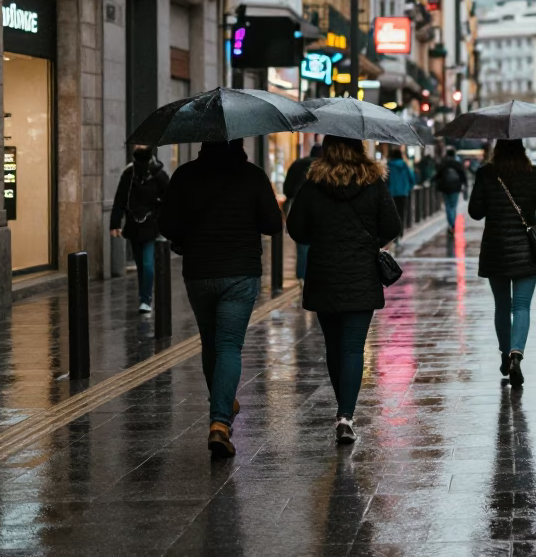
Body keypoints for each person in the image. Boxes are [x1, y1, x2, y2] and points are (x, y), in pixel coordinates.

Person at [158, 139, 282, 459]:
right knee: (229, 345)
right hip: (240, 272)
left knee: (210, 343)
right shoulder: (252, 175)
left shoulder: (185, 175)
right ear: (239, 143)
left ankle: (222, 404)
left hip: (199, 271)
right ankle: (220, 422)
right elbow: (272, 225)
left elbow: (168, 226)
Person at [287, 136, 401, 444]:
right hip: (361, 273)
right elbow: (392, 225)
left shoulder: (313, 182)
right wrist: (368, 242)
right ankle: (345, 416)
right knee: (353, 348)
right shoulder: (373, 181)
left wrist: (322, 235)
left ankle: (343, 410)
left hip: (324, 273)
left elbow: (296, 229)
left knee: (334, 346)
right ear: (358, 147)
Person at [467, 139, 536, 387]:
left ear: (497, 150)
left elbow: (475, 211)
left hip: (496, 248)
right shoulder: (534, 173)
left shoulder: (486, 173)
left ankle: (505, 355)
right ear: (523, 150)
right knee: (521, 306)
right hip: (527, 249)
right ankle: (517, 354)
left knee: (502, 306)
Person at [110, 145, 170, 313]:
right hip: (134, 224)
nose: (139, 147)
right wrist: (115, 222)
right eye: (137, 145)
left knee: (148, 263)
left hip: (151, 224)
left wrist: (163, 218)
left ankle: (145, 300)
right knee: (141, 266)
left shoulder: (158, 173)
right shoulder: (129, 173)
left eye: (143, 145)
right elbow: (120, 198)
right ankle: (143, 296)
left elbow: (171, 198)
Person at [283, 143, 322, 279]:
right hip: (318, 209)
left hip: (297, 206)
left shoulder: (297, 164)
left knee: (302, 245)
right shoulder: (324, 168)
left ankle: (302, 277)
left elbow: (287, 189)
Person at [434, 148, 468, 233]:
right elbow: (462, 175)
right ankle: (452, 224)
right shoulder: (457, 164)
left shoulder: (443, 164)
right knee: (453, 206)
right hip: (455, 187)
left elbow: (438, 175)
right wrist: (465, 184)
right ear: (454, 155)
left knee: (448, 206)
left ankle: (450, 224)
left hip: (445, 188)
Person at [386, 147, 416, 238]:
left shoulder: (389, 166)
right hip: (403, 193)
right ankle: (401, 231)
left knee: (393, 213)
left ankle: (394, 232)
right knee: (402, 212)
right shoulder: (404, 165)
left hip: (392, 193)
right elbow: (411, 178)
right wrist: (408, 188)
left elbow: (386, 180)